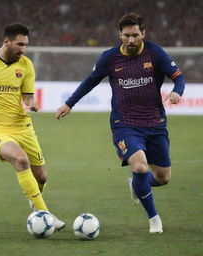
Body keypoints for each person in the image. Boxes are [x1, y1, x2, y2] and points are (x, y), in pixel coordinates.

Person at [56, 13, 185, 233]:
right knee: (140, 166)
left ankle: (137, 184)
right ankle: (154, 219)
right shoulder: (110, 58)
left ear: (143, 33)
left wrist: (176, 91)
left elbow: (178, 78)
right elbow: (90, 81)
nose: (131, 40)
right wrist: (69, 103)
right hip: (124, 124)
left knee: (163, 178)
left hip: (155, 124)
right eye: (126, 36)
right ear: (120, 35)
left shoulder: (155, 53)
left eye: (135, 35)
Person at [0, 23, 65, 231]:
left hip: (22, 126)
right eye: (19, 44)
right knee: (20, 158)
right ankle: (44, 213)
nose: (23, 49)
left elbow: (27, 94)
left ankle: (34, 199)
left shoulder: (25, 65)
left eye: (25, 45)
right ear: (6, 41)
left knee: (41, 176)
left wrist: (31, 102)